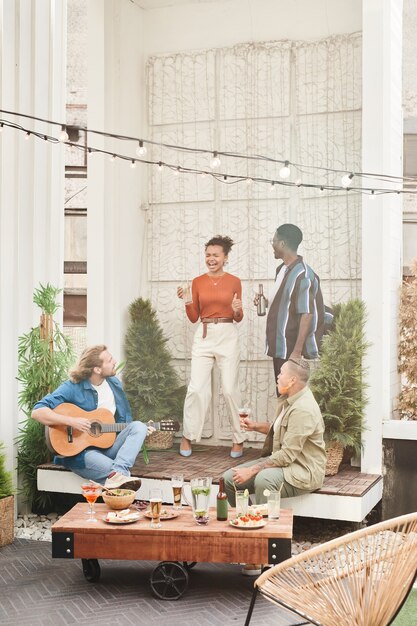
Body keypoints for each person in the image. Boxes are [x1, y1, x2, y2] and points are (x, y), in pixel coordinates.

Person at [223, 358, 326, 574]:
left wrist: (251, 469)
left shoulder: (304, 408)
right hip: (285, 463)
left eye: (281, 373)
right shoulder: (289, 399)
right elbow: (280, 430)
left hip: (303, 470)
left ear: (292, 379)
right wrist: (256, 426)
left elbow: (288, 454)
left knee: (264, 479)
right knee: (229, 480)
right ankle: (242, 540)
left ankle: (263, 553)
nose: (277, 376)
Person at [32, 345, 146, 490]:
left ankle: (118, 474)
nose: (115, 362)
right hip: (81, 453)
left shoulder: (114, 384)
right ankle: (118, 476)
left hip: (108, 446)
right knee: (121, 479)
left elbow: (125, 421)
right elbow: (37, 412)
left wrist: (137, 432)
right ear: (97, 370)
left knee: (139, 426)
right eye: (110, 360)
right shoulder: (72, 387)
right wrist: (71, 421)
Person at [177, 235, 245, 459]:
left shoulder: (234, 281)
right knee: (197, 388)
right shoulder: (197, 282)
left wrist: (237, 309)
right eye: (207, 255)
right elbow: (194, 317)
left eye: (215, 255)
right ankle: (188, 435)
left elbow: (238, 317)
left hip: (227, 335)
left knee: (229, 389)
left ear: (225, 257)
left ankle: (238, 439)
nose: (211, 259)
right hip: (204, 335)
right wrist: (187, 300)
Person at [256, 223, 325, 387]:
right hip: (280, 347)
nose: (272, 245)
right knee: (283, 394)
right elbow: (286, 303)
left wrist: (296, 352)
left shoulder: (303, 275)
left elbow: (306, 314)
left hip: (290, 349)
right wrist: (265, 303)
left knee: (290, 396)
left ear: (282, 244)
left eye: (273, 241)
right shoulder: (282, 269)